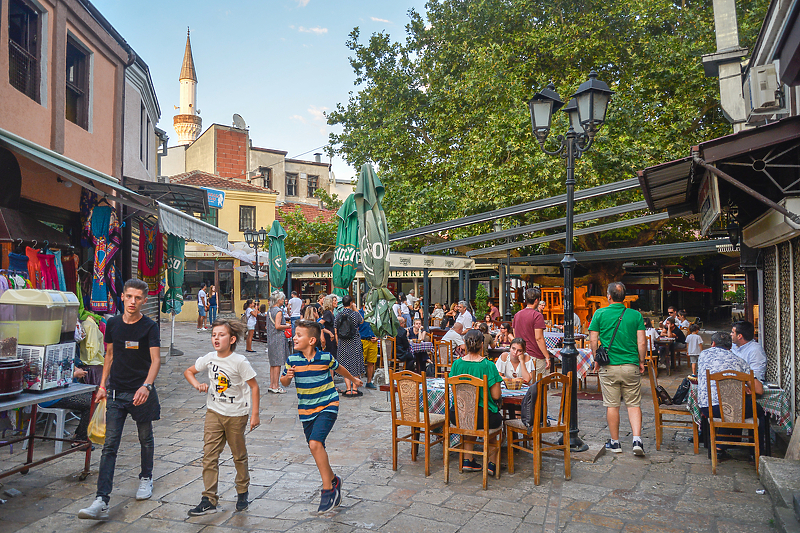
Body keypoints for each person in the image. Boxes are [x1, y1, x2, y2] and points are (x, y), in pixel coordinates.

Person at [78, 279, 161, 520]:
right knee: (109, 447)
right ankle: (101, 500)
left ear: (144, 300)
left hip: (141, 393)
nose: (133, 302)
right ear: (122, 297)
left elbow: (155, 360)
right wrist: (103, 385)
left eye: (138, 298)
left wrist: (147, 386)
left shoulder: (149, 326)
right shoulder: (112, 324)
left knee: (145, 438)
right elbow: (110, 355)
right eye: (129, 297)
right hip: (115, 393)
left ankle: (146, 478)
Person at [280, 320, 362, 513]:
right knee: (317, 448)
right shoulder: (292, 360)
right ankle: (334, 480)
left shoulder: (325, 358)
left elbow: (339, 368)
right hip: (306, 411)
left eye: (299, 335)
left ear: (312, 340)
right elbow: (283, 382)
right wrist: (288, 376)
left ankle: (328, 491)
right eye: (295, 334)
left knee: (315, 444)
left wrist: (353, 379)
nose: (294, 337)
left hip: (328, 404)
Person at [183, 319, 259, 515]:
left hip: (236, 416)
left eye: (221, 335)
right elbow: (189, 371)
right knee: (209, 456)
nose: (216, 338)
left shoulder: (239, 361)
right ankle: (209, 498)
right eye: (214, 335)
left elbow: (254, 386)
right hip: (214, 413)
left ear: (232, 339)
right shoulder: (209, 358)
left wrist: (255, 415)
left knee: (238, 455)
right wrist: (197, 385)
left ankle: (242, 491)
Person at [589, 281, 646, 457]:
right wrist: (641, 361)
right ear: (625, 297)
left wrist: (596, 359)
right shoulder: (635, 315)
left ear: (609, 296)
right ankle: (637, 440)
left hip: (609, 366)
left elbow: (593, 340)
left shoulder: (599, 313)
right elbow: (642, 342)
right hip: (630, 365)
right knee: (633, 404)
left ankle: (615, 442)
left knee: (612, 405)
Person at [697, 331, 765, 458]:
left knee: (729, 408)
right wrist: (744, 385)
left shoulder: (703, 355)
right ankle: (756, 453)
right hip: (730, 409)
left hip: (707, 408)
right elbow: (759, 390)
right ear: (730, 346)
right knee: (758, 410)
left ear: (713, 344)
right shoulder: (739, 361)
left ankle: (719, 446)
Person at [448, 329, 503, 475]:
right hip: (483, 418)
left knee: (468, 416)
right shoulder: (488, 365)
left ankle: (467, 460)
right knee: (492, 418)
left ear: (465, 344)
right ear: (481, 345)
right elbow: (496, 395)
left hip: (459, 416)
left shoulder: (456, 365)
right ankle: (492, 463)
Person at [511, 288, 550, 377]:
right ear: (536, 300)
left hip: (521, 354)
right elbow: (539, 338)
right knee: (538, 385)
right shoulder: (537, 316)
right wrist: (547, 356)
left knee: (523, 383)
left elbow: (515, 335)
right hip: (535, 354)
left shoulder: (517, 315)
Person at [335, 296, 365, 397]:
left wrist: (337, 341)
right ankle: (355, 388)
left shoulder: (339, 314)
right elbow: (361, 320)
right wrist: (355, 308)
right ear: (351, 303)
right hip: (354, 341)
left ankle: (348, 389)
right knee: (355, 363)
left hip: (342, 342)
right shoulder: (355, 314)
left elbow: (336, 329)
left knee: (345, 364)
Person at [266, 291, 291, 394]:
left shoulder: (269, 310)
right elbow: (278, 326)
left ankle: (272, 384)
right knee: (278, 364)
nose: (284, 301)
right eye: (283, 299)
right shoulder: (278, 311)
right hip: (278, 338)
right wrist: (287, 326)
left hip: (271, 338)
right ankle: (276, 386)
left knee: (273, 363)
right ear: (279, 300)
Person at [359, 304, 378, 390]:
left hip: (373, 341)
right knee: (359, 362)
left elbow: (379, 326)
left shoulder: (375, 313)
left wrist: (377, 336)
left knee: (371, 362)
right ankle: (357, 381)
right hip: (362, 340)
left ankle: (369, 382)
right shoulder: (359, 313)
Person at [320, 295, 337, 359]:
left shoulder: (332, 312)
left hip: (332, 337)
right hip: (329, 338)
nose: (336, 302)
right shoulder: (328, 313)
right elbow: (319, 324)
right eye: (335, 301)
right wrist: (329, 332)